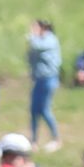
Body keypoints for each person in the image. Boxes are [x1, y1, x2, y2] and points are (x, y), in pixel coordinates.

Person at [27, 19, 62, 152]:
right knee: (34, 110)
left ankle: (56, 139)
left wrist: (33, 34)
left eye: (36, 27)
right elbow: (30, 56)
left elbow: (37, 47)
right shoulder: (38, 39)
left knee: (44, 110)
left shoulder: (50, 39)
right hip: (39, 79)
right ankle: (34, 140)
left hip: (49, 79)